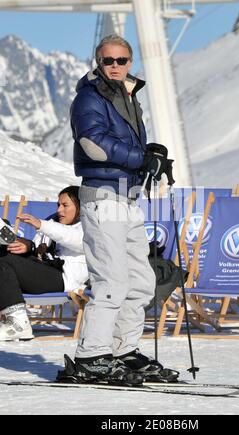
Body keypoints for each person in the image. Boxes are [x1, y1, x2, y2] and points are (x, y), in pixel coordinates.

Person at [68, 34, 178, 386]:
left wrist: (152, 154)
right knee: (111, 280)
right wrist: (140, 157)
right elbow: (92, 143)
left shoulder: (127, 95)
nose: (115, 66)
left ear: (130, 62)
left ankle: (121, 350)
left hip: (128, 198)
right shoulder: (89, 97)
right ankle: (90, 356)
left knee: (141, 281)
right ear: (97, 62)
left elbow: (124, 144)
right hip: (102, 197)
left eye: (122, 60)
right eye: (108, 61)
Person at [0, 186, 88, 341]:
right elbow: (38, 249)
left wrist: (42, 225)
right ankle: (14, 321)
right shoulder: (53, 221)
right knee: (4, 252)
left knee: (5, 260)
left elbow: (74, 239)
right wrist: (28, 246)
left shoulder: (89, 227)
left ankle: (18, 324)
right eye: (58, 205)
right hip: (45, 272)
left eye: (65, 205)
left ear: (80, 206)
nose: (60, 210)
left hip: (65, 279)